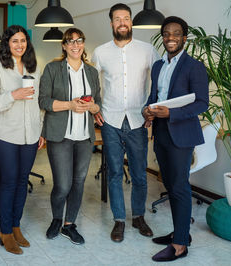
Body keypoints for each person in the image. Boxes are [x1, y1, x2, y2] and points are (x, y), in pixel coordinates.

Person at [142, 16, 209, 262]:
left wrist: (172, 112)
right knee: (169, 185)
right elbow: (154, 96)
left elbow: (203, 103)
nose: (170, 38)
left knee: (179, 187)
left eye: (176, 33)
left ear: (184, 37)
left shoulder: (194, 66)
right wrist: (147, 111)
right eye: (166, 34)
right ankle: (180, 233)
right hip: (160, 132)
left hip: (181, 135)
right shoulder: (159, 66)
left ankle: (180, 245)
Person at [92, 3, 160, 242]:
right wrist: (95, 107)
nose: (122, 22)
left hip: (138, 121)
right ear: (111, 23)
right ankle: (119, 220)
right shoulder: (100, 52)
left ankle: (139, 217)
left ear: (131, 22)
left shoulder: (148, 50)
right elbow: (91, 82)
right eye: (118, 18)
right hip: (110, 119)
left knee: (140, 174)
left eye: (126, 18)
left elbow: (161, 80)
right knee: (113, 173)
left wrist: (152, 108)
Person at [0, 25, 44, 255]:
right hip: (5, 134)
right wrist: (13, 95)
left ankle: (16, 225)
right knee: (8, 181)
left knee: (21, 181)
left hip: (30, 133)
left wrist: (40, 130)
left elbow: (39, 103)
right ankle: (6, 231)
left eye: (23, 41)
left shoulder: (34, 68)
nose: (20, 45)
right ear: (7, 44)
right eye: (15, 41)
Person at [39, 28, 101, 245]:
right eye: (70, 42)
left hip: (84, 137)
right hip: (60, 135)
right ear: (64, 46)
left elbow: (98, 102)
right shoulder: (53, 68)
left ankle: (69, 224)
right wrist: (69, 105)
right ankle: (57, 218)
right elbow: (43, 101)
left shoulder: (91, 72)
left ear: (83, 44)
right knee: (63, 185)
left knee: (78, 182)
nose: (75, 45)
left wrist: (93, 106)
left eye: (79, 41)